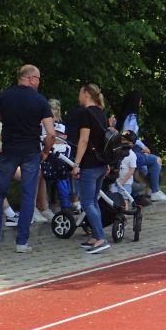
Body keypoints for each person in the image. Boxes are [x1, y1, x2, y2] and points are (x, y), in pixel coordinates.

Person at [0, 64, 55, 253]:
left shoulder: (4, 96)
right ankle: (22, 243)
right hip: (31, 153)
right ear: (31, 78)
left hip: (8, 151)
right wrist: (46, 151)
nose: (39, 83)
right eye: (38, 79)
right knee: (28, 195)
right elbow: (51, 134)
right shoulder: (40, 100)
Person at [67, 83, 113, 254]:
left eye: (80, 93)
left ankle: (100, 238)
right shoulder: (101, 112)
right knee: (93, 201)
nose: (78, 96)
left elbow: (84, 140)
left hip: (89, 164)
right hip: (101, 163)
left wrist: (76, 164)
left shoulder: (86, 113)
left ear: (86, 93)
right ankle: (95, 236)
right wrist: (107, 163)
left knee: (87, 203)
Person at [115, 91, 166, 202]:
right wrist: (143, 146)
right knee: (156, 160)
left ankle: (148, 190)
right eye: (140, 100)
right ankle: (155, 191)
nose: (141, 103)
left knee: (145, 168)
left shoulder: (122, 116)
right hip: (130, 152)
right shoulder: (131, 117)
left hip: (127, 150)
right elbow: (129, 135)